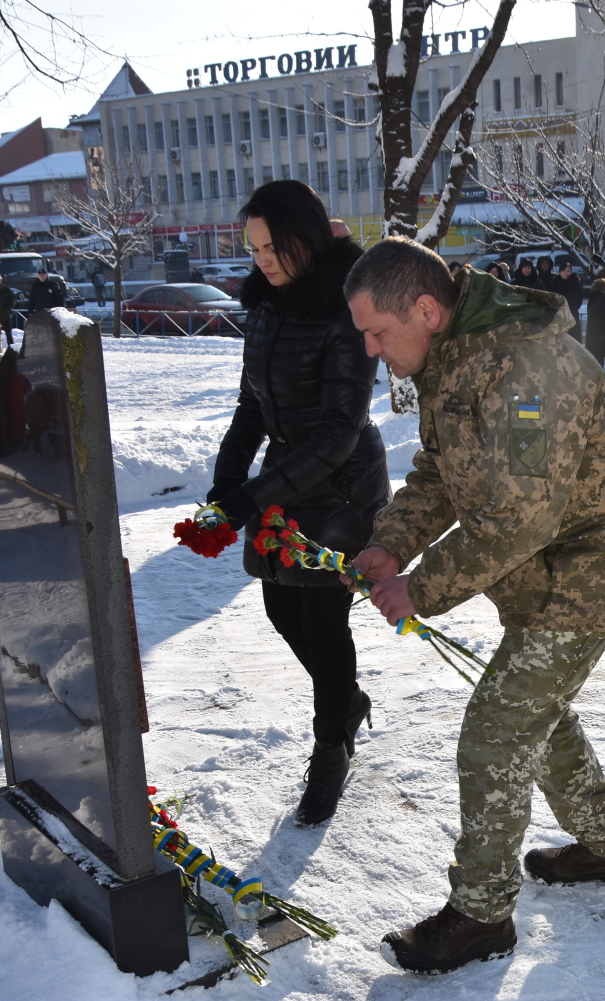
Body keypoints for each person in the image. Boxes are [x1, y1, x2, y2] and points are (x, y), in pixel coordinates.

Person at [343, 236, 605, 975]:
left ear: (425, 309)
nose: (369, 347)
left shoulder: (520, 361)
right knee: (535, 715)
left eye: (377, 331)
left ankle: (482, 914)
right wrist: (392, 543)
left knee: (498, 726)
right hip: (545, 566)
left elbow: (520, 517)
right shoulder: (453, 354)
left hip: (592, 563)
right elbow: (442, 469)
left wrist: (417, 589)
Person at [204, 181, 388, 826]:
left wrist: (252, 496)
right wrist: (227, 482)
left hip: (340, 486)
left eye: (273, 248)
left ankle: (331, 749)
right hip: (284, 480)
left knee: (321, 620)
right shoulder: (267, 305)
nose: (263, 262)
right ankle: (347, 701)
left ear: (304, 240)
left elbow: (338, 430)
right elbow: (251, 403)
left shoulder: (345, 308)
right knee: (281, 609)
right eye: (253, 250)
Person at [584, 277, 605, 371]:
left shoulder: (593, 297)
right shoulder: (602, 299)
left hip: (595, 332)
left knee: (596, 352)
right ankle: (599, 371)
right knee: (600, 352)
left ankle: (598, 370)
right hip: (601, 332)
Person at [547, 262, 584, 345]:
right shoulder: (555, 283)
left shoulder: (575, 283)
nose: (566, 273)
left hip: (572, 313)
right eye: (564, 271)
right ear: (560, 272)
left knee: (574, 339)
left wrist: (571, 308)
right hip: (559, 315)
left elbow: (579, 299)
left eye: (568, 271)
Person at [0, 271, 16, 349]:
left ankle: (12, 349)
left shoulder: (6, 289)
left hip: (5, 315)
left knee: (8, 334)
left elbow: (11, 300)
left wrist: (7, 309)